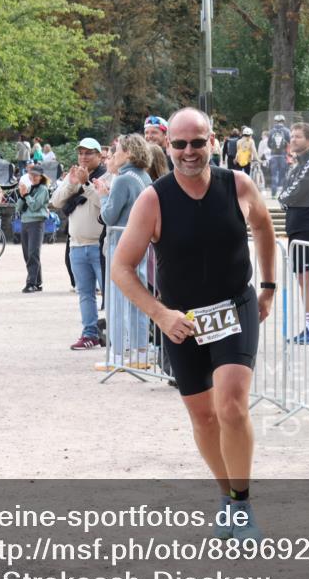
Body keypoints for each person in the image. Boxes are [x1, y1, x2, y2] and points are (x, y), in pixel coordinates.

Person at [111, 107, 276, 540]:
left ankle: (242, 507)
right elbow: (122, 268)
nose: (189, 152)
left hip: (234, 308)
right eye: (180, 144)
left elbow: (264, 227)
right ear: (168, 146)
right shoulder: (154, 198)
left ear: (212, 141)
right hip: (181, 321)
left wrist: (269, 287)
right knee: (203, 419)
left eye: (197, 142)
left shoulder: (238, 185)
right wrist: (160, 314)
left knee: (232, 406)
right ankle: (227, 496)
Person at [51, 137, 112, 350]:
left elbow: (103, 204)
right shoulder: (73, 175)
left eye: (89, 153)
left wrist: (86, 184)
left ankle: (113, 333)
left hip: (99, 244)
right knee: (84, 293)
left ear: (99, 155)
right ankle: (89, 333)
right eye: (81, 153)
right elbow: (57, 201)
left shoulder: (107, 176)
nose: (84, 157)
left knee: (109, 293)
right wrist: (72, 182)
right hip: (76, 244)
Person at [101, 134, 153, 366]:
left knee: (116, 300)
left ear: (129, 153)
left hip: (120, 243)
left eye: (118, 149)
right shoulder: (144, 177)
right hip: (141, 243)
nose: (114, 154)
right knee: (138, 298)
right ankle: (140, 353)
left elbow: (109, 216)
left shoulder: (122, 180)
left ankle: (118, 355)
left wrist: (103, 196)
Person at [277, 122, 309, 345]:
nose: (294, 140)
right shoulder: (297, 164)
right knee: (302, 278)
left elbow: (292, 194)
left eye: (299, 136)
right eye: (293, 137)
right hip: (297, 226)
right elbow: (288, 191)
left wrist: (283, 200)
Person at [17, 166, 50, 293]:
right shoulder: (29, 188)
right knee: (28, 254)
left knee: (33, 253)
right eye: (32, 175)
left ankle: (31, 283)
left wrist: (26, 195)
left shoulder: (43, 189)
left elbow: (35, 206)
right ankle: (37, 281)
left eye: (36, 175)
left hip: (36, 222)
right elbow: (18, 208)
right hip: (25, 222)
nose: (34, 178)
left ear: (41, 176)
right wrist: (22, 196)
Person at [267, 115, 291, 194]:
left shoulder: (271, 131)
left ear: (275, 121)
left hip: (274, 156)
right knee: (283, 174)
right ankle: (283, 193)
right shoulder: (287, 131)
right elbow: (290, 142)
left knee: (274, 175)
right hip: (283, 156)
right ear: (283, 121)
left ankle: (274, 194)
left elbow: (268, 144)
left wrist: (274, 148)